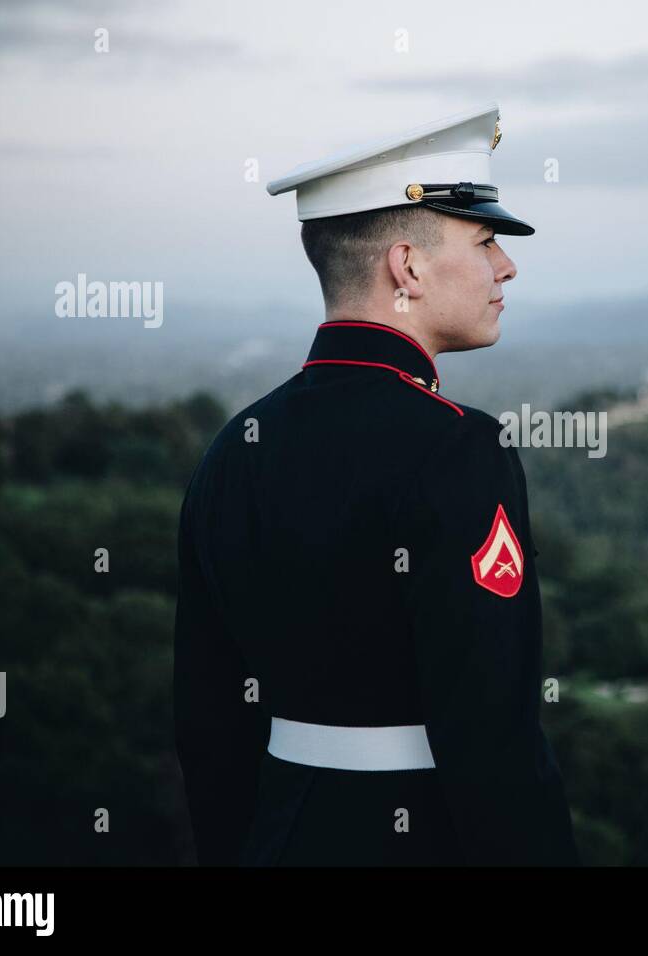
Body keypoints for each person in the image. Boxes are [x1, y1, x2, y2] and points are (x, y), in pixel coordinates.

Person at [173, 103, 580, 866]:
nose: (507, 266)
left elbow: (207, 723)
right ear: (408, 266)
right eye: (486, 241)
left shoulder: (234, 449)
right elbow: (493, 735)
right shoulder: (459, 446)